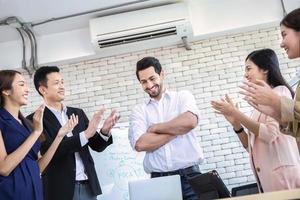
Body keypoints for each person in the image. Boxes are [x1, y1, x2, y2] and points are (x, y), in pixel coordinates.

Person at [211, 49, 300, 192]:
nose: (245, 74)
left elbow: (270, 134)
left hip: (284, 178)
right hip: (266, 181)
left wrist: (235, 112)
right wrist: (236, 124)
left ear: (264, 69)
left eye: (248, 68)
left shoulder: (280, 92)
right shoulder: (257, 108)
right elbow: (251, 148)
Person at [27, 66, 120, 200]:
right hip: (59, 190)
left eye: (62, 82)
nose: (62, 86)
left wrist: (105, 130)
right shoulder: (35, 120)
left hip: (89, 186)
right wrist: (85, 135)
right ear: (43, 89)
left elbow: (97, 146)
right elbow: (49, 151)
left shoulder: (77, 113)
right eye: (56, 83)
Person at [128, 57, 204, 200]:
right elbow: (141, 144)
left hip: (191, 177)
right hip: (159, 181)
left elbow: (189, 122)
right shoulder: (139, 110)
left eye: (152, 78)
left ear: (162, 74)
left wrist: (156, 128)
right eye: (143, 82)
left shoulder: (182, 97)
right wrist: (177, 130)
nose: (149, 85)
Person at [0, 70, 78, 200]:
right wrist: (36, 133)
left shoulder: (26, 124)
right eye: (21, 84)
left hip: (34, 192)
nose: (27, 89)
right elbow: (4, 168)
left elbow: (38, 168)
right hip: (11, 194)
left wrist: (59, 136)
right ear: (6, 91)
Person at [240, 8, 300, 150]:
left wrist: (276, 102)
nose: (281, 43)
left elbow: (270, 136)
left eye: (284, 35)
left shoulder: (280, 92)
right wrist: (275, 112)